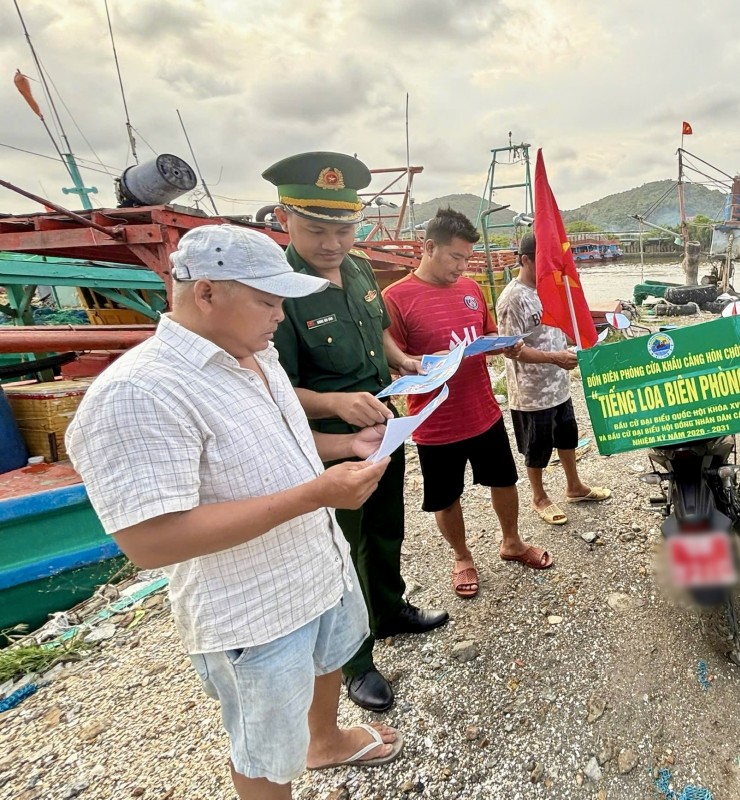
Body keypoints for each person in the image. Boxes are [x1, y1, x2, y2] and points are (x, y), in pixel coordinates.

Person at [65, 225, 403, 800]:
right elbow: (149, 542)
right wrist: (315, 495)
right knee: (264, 749)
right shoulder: (138, 392)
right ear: (207, 293)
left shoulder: (257, 354)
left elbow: (283, 438)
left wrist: (347, 447)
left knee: (329, 657)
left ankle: (324, 741)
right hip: (251, 607)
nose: (280, 315)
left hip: (317, 563)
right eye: (267, 301)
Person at [265, 152, 448, 714]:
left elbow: (379, 334)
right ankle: (355, 659)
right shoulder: (278, 290)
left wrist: (407, 361)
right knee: (342, 549)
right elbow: (272, 388)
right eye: (317, 230)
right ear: (284, 218)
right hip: (328, 445)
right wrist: (334, 402)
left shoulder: (362, 268)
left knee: (386, 527)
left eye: (344, 229)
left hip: (386, 426)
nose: (332, 243)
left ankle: (390, 609)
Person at [383, 208, 554, 599]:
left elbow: (489, 333)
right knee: (445, 496)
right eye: (455, 258)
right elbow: (394, 361)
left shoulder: (472, 289)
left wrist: (506, 346)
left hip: (483, 411)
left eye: (466, 258)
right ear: (429, 248)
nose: (462, 266)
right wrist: (419, 365)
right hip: (434, 422)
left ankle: (511, 541)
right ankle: (462, 556)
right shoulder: (396, 299)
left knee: (505, 481)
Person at [496, 232, 611, 525]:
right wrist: (554, 358)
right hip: (532, 393)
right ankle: (539, 497)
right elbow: (512, 351)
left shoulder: (551, 289)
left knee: (567, 436)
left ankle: (574, 486)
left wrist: (579, 343)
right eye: (545, 264)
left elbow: (562, 327)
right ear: (525, 260)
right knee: (537, 448)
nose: (551, 271)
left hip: (559, 384)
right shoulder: (513, 298)